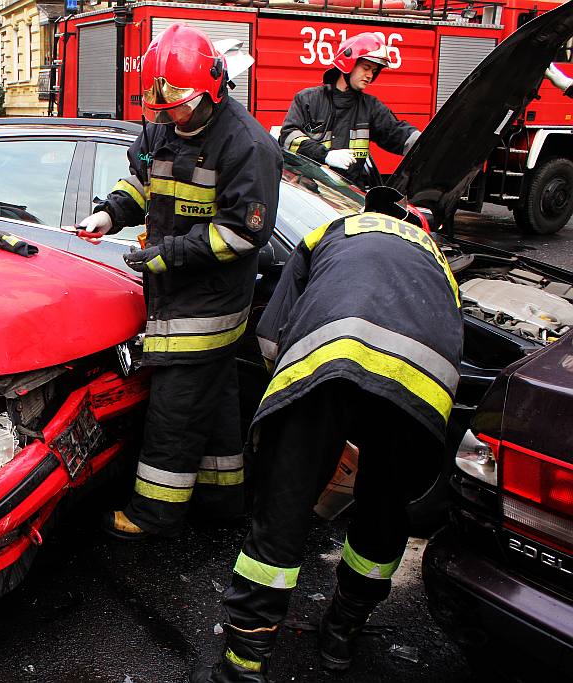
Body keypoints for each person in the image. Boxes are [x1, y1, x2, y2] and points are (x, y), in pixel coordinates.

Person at [191, 186, 463, 682]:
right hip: (420, 386)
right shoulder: (437, 261)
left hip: (327, 362)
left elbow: (272, 333)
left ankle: (244, 666)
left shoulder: (332, 231)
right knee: (383, 512)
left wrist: (289, 415)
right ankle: (342, 634)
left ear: (369, 210)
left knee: (282, 516)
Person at [76, 23, 282, 539]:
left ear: (212, 90)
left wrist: (164, 256)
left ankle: (152, 515)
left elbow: (242, 235)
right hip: (174, 294)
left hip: (209, 302)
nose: (169, 117)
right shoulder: (162, 129)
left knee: (175, 410)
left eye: (178, 107)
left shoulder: (246, 145)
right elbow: (141, 183)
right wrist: (110, 214)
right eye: (159, 108)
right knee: (214, 407)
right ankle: (221, 501)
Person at [280, 33, 420, 188]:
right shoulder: (308, 99)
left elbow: (396, 133)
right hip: (309, 193)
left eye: (373, 71)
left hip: (349, 197)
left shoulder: (370, 107)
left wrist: (425, 143)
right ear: (348, 64)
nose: (369, 75)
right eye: (366, 68)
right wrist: (324, 155)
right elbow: (288, 138)